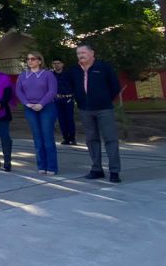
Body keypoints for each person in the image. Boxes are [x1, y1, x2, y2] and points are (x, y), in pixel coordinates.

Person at [70, 44, 123, 183]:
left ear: (92, 53)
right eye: (78, 53)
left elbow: (115, 86)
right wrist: (79, 99)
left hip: (104, 109)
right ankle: (96, 169)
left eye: (83, 52)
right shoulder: (75, 70)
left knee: (110, 139)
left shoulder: (103, 67)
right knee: (91, 139)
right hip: (85, 109)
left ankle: (114, 171)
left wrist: (105, 99)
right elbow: (71, 86)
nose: (81, 55)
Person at [16, 52, 59, 175]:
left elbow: (52, 91)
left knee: (47, 136)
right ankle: (41, 165)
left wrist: (41, 103)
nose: (30, 61)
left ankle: (52, 166)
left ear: (40, 61)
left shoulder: (48, 75)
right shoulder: (23, 75)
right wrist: (26, 103)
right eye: (28, 59)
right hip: (30, 108)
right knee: (37, 137)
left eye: (33, 59)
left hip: (46, 107)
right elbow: (18, 90)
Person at [51, 59, 77, 145]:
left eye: (58, 63)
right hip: (57, 99)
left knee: (69, 119)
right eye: (54, 63)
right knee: (61, 119)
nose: (56, 65)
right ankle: (65, 137)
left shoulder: (68, 74)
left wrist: (73, 97)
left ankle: (72, 138)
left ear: (62, 64)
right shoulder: (51, 75)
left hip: (68, 99)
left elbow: (75, 85)